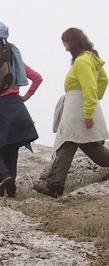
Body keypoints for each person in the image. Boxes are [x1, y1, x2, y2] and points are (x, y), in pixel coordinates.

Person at [33, 28, 109, 197]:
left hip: (77, 109)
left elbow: (89, 85)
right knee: (88, 144)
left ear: (72, 42)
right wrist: (96, 100)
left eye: (66, 44)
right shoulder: (92, 58)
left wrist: (88, 112)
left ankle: (54, 186)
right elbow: (103, 80)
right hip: (81, 106)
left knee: (67, 141)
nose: (65, 48)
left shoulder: (82, 61)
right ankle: (54, 185)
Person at [0, 63, 43, 197]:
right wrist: (26, 96)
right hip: (17, 106)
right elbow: (37, 78)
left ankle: (4, 175)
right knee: (12, 148)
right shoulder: (14, 60)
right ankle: (11, 187)